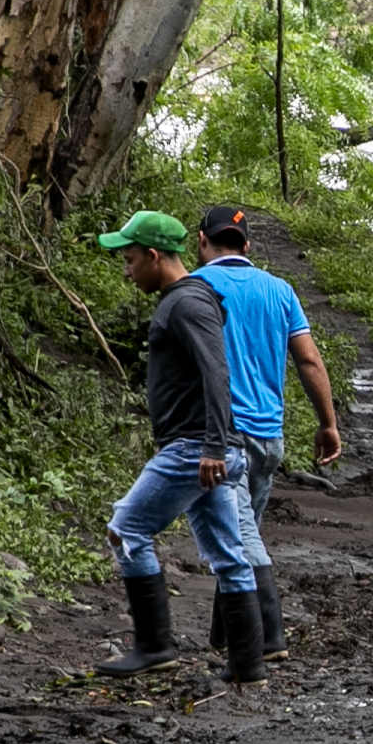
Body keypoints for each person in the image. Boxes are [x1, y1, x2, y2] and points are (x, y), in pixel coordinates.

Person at [90, 211, 264, 685]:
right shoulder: (190, 298)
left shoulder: (186, 303)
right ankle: (248, 667)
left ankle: (153, 646)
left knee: (125, 530)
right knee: (229, 554)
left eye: (129, 260)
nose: (126, 271)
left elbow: (216, 372)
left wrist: (211, 445)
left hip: (195, 449)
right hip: (208, 449)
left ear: (153, 255)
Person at [192, 206, 343, 661]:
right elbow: (309, 361)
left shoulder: (197, 289)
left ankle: (270, 636)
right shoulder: (280, 291)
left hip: (224, 435)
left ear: (202, 241)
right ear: (247, 245)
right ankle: (223, 635)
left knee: (239, 536)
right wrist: (328, 424)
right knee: (239, 529)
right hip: (268, 437)